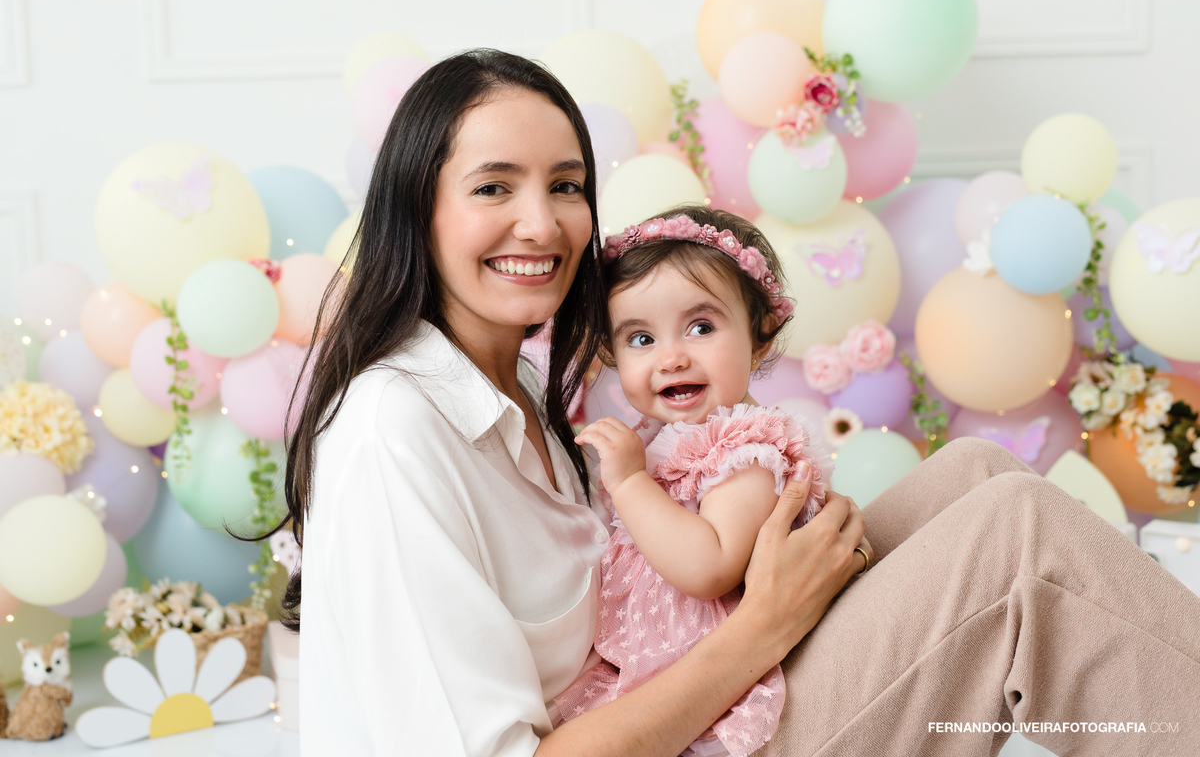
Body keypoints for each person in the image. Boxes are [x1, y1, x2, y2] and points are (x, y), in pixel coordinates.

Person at [285, 48, 1200, 757]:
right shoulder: (393, 429)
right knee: (1016, 543)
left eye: (566, 186)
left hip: (678, 695)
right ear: (418, 208)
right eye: (494, 187)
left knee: (974, 473)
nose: (543, 222)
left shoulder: (521, 390)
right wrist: (767, 623)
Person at [553, 207, 835, 757]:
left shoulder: (747, 449)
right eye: (640, 339)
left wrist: (631, 483)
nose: (671, 357)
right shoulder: (658, 438)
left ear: (759, 339)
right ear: (611, 352)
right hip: (660, 678)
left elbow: (708, 567)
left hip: (718, 680)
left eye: (701, 327)